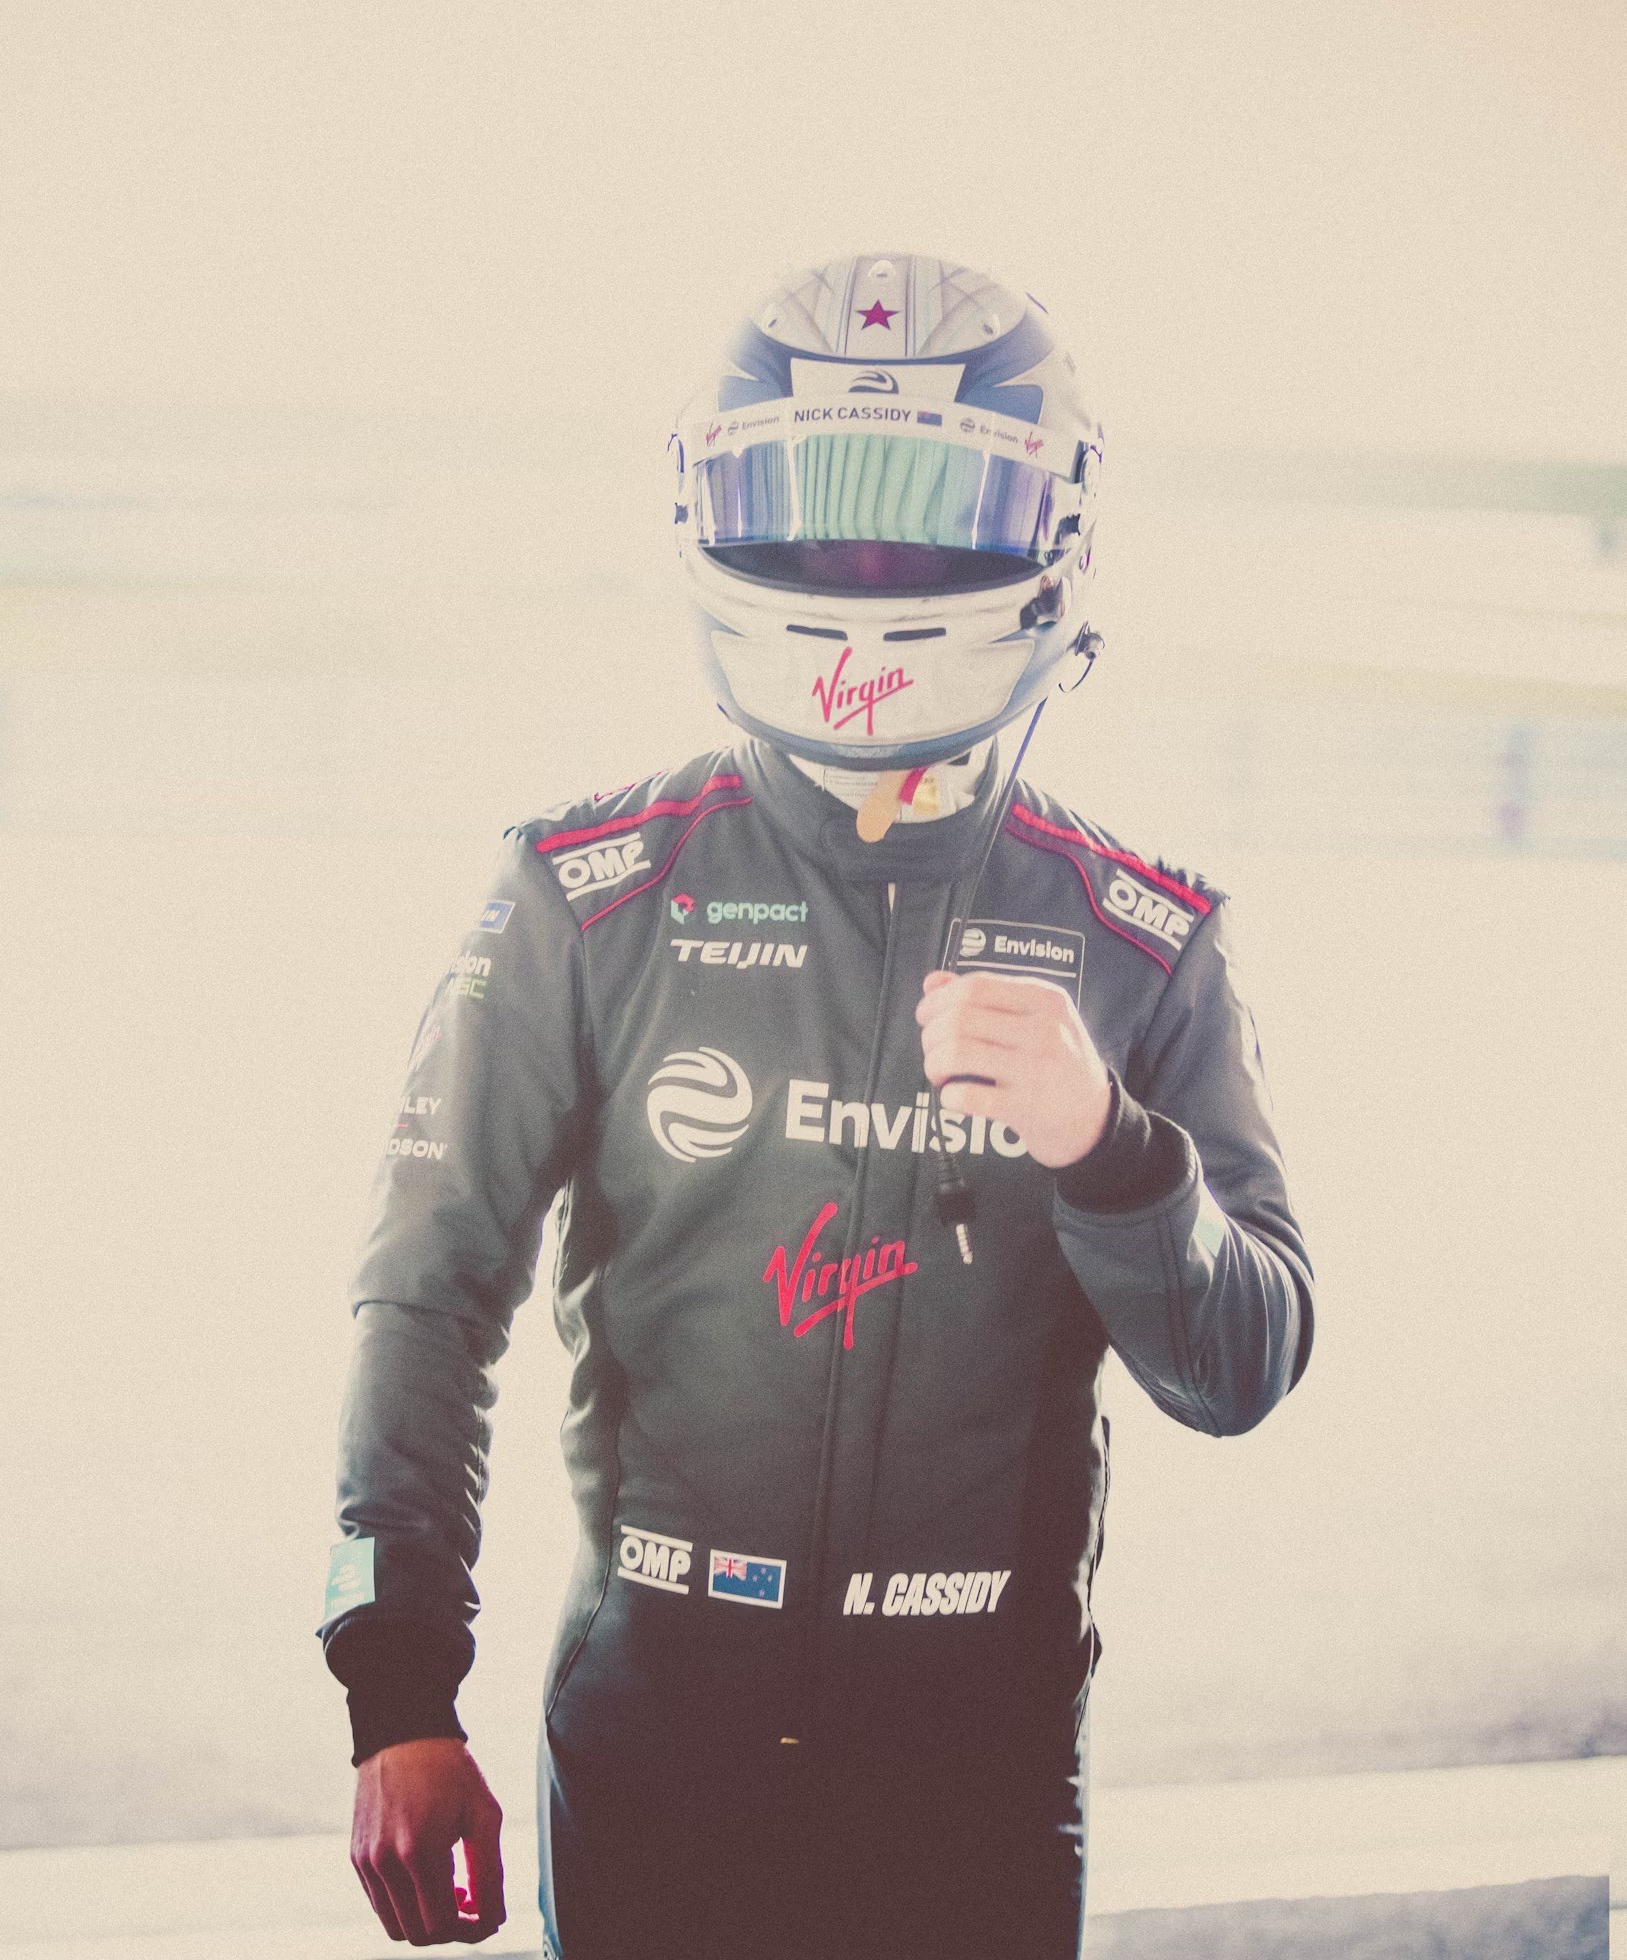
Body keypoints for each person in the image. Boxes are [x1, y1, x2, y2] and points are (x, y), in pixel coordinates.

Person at [319, 252, 1314, 1958]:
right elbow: (426, 1296)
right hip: (652, 1755)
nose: (866, 569)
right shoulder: (586, 894)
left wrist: (1111, 1149)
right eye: (816, 502)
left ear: (1057, 532)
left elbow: (1242, 1368)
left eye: (927, 510)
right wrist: (399, 1698)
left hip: (977, 1777)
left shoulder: (1144, 940)